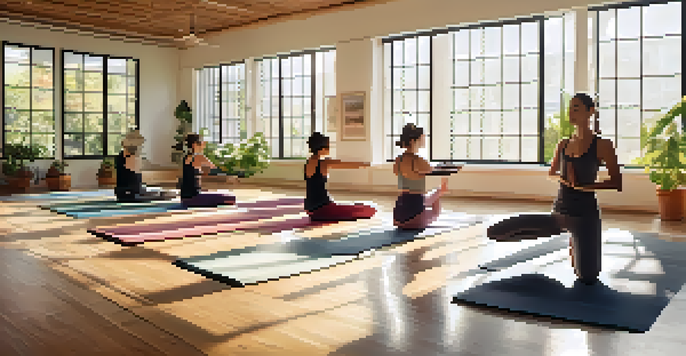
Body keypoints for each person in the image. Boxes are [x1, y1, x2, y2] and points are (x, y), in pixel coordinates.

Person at [487, 93, 622, 285]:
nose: (571, 112)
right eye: (570, 108)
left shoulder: (603, 145)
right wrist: (564, 179)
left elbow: (617, 182)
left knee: (588, 277)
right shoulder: (563, 144)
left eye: (576, 108)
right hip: (559, 214)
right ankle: (571, 238)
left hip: (585, 217)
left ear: (590, 111)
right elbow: (552, 173)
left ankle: (576, 241)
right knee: (495, 231)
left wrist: (585, 187)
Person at [304, 132, 376, 221]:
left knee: (359, 207)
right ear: (322, 149)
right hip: (322, 209)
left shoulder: (308, 162)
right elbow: (345, 164)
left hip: (310, 208)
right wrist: (365, 164)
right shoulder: (324, 163)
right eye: (328, 146)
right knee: (370, 209)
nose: (329, 149)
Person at [393, 123, 450, 230]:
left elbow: (397, 172)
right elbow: (433, 170)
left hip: (398, 216)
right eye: (422, 137)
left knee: (428, 195)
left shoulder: (398, 160)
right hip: (415, 218)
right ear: (413, 141)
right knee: (439, 192)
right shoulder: (419, 161)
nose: (424, 140)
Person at [115, 130, 176, 203]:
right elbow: (138, 169)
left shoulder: (125, 156)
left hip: (130, 191)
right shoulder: (129, 158)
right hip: (129, 193)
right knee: (162, 195)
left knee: (159, 192)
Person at [179, 133, 236, 207]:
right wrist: (230, 176)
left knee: (215, 194)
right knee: (231, 198)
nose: (204, 145)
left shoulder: (188, 157)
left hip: (187, 198)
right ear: (194, 145)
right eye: (201, 142)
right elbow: (214, 169)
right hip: (193, 198)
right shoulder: (198, 157)